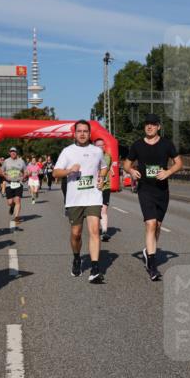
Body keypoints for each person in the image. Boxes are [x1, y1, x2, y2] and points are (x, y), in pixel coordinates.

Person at [122, 114, 182, 281]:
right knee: (151, 223)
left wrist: (168, 172)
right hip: (145, 190)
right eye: (147, 124)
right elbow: (126, 164)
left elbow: (179, 162)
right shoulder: (137, 145)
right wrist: (131, 171)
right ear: (144, 127)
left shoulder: (166, 144)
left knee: (158, 226)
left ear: (158, 127)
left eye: (153, 124)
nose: (150, 127)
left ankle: (148, 251)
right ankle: (153, 265)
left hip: (162, 191)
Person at [53, 121, 108, 283]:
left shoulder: (97, 151)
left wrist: (102, 177)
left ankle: (95, 268)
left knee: (94, 231)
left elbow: (104, 167)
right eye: (79, 131)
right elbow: (56, 172)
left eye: (85, 131)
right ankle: (77, 258)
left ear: (89, 134)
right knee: (76, 234)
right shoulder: (67, 151)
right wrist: (69, 170)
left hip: (93, 196)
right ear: (74, 134)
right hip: (74, 199)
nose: (82, 134)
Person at [94, 138, 113, 242]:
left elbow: (108, 167)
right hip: (94, 188)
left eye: (102, 145)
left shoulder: (107, 156)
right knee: (96, 211)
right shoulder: (91, 157)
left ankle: (104, 232)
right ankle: (95, 230)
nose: (100, 147)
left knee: (104, 209)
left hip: (105, 187)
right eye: (98, 145)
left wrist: (111, 170)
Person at [2, 148, 25, 232]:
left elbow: (25, 171)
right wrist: (5, 176)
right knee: (10, 202)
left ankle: (16, 217)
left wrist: (24, 176)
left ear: (16, 153)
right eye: (11, 152)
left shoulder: (21, 161)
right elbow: (2, 171)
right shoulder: (6, 161)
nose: (13, 153)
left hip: (18, 183)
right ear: (9, 153)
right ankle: (12, 207)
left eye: (14, 151)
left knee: (17, 200)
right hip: (9, 184)